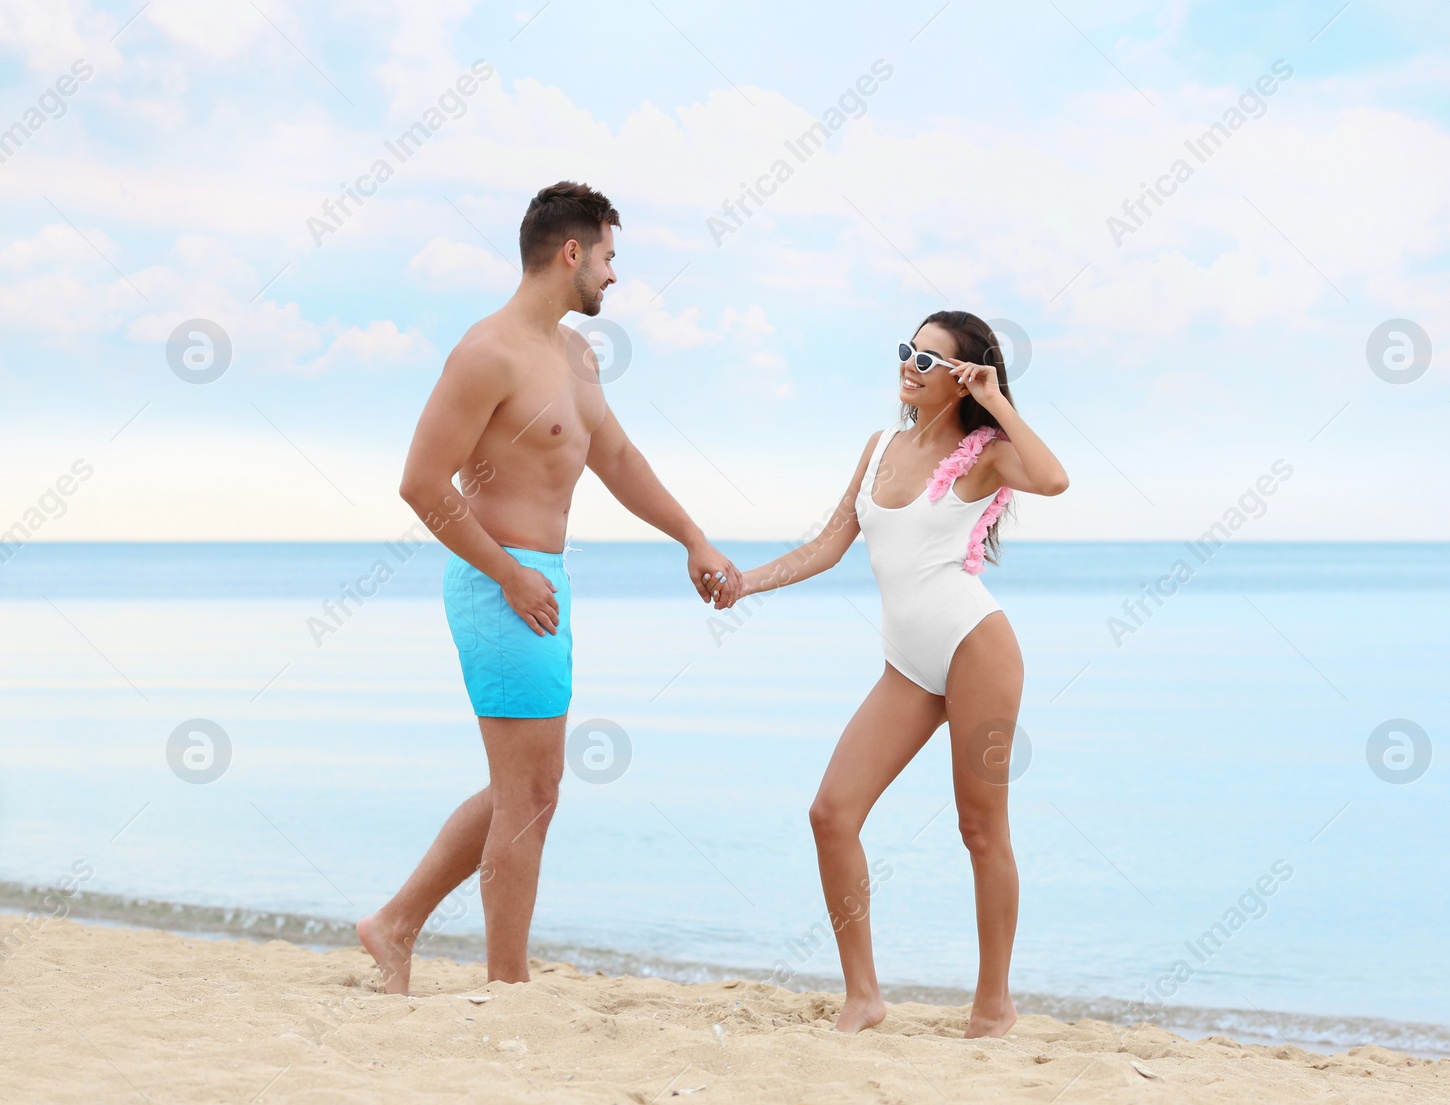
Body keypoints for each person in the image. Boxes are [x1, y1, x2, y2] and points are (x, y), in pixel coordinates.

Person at [358, 181, 742, 995]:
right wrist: (508, 572)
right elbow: (422, 485)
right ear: (572, 253)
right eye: (609, 257)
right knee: (530, 791)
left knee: (527, 787)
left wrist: (692, 535)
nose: (614, 275)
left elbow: (620, 460)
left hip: (543, 582)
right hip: (498, 582)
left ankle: (394, 924)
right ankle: (507, 983)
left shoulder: (575, 355)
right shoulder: (485, 352)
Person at [738, 310, 1068, 1038]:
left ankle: (993, 1006)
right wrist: (743, 584)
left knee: (981, 828)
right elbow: (827, 545)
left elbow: (1054, 477)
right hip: (908, 664)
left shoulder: (988, 453)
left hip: (976, 648)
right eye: (907, 352)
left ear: (962, 377)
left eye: (928, 359)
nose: (908, 366)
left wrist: (999, 399)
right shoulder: (881, 446)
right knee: (832, 813)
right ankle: (864, 995)